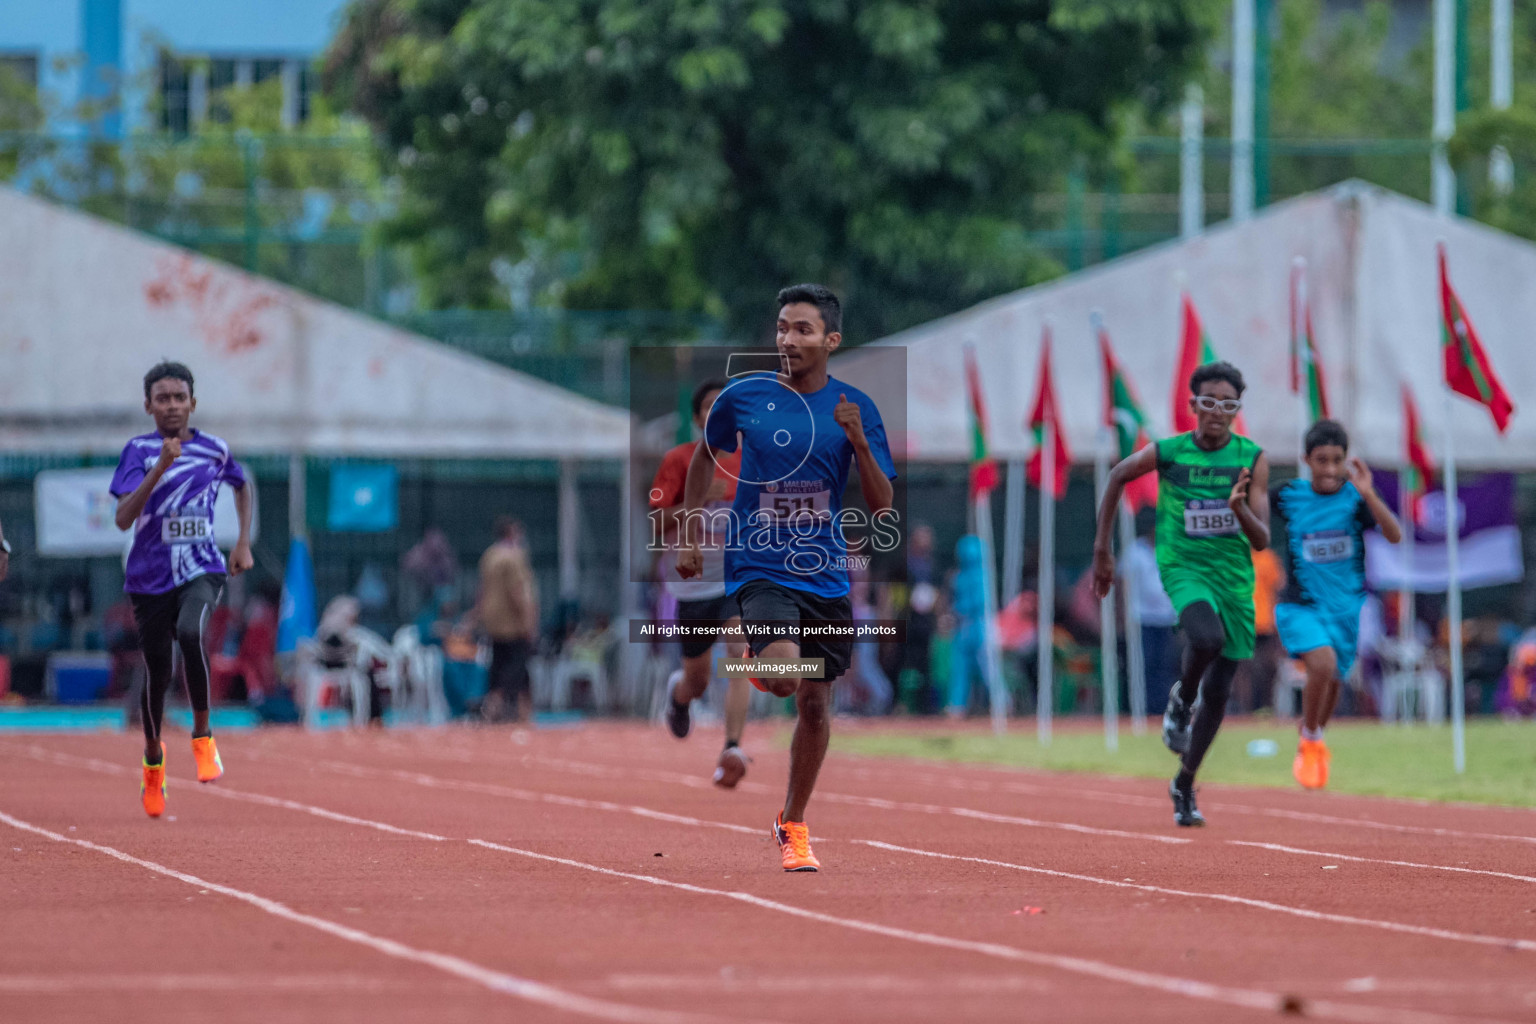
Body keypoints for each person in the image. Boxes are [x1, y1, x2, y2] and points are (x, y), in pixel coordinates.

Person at [678, 283, 896, 871]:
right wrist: (692, 532)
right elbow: (704, 458)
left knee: (817, 706)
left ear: (831, 339)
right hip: (758, 563)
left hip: (824, 573)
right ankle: (750, 659)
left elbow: (881, 505)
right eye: (781, 328)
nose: (787, 339)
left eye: (802, 329)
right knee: (778, 679)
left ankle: (792, 822)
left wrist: (858, 443)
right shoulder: (746, 397)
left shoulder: (856, 408)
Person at [1093, 361, 1269, 827]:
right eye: (1208, 403)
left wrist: (1238, 509)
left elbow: (1262, 539)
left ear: (1236, 410)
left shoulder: (1251, 458)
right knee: (1205, 639)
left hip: (1233, 578)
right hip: (1184, 567)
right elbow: (1116, 477)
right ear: (1193, 406)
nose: (1216, 412)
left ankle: (1185, 783)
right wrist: (1102, 552)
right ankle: (1179, 701)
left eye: (1227, 405)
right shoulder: (1169, 452)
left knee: (1221, 691)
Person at [111, 361, 253, 818]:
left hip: (202, 567)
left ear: (193, 402)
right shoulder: (138, 450)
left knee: (192, 633)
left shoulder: (214, 449)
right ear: (148, 406)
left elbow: (241, 484)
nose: (172, 405)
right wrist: (161, 467)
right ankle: (154, 761)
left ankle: (203, 734)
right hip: (149, 577)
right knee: (158, 673)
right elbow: (123, 517)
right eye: (163, 398)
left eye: (179, 397)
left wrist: (243, 543)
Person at [1272, 420, 1402, 789]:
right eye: (1321, 460)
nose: (1330, 469)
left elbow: (1394, 535)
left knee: (1334, 680)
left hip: (1345, 609)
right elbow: (1255, 519)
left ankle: (1311, 737)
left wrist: (1370, 493)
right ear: (1306, 460)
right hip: (1300, 606)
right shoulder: (1288, 496)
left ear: (1346, 460)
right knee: (1323, 663)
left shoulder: (1355, 499)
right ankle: (1311, 736)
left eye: (1337, 460)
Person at [652, 379, 754, 787]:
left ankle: (732, 746)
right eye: (709, 407)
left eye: (723, 406)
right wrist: (697, 500)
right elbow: (657, 523)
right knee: (697, 680)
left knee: (739, 651)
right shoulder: (678, 460)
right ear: (696, 418)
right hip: (692, 585)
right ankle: (679, 696)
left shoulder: (751, 462)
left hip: (736, 579)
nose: (716, 413)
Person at [474, 518, 539, 723]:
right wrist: (530, 620)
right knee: (514, 666)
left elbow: (482, 590)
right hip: (512, 622)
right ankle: (497, 706)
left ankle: (522, 711)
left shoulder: (489, 556)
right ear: (511, 533)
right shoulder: (513, 557)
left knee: (501, 664)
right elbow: (518, 592)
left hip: (493, 620)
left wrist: (477, 616)